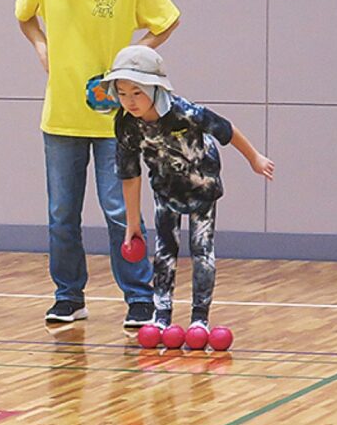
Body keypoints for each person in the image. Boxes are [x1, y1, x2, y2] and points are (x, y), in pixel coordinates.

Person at [15, 0, 180, 328]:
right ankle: (68, 295)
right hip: (62, 117)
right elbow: (24, 17)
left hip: (116, 121)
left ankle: (140, 298)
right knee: (61, 213)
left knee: (119, 209)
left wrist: (134, 56)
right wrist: (40, 45)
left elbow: (167, 20)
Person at [104, 44, 274, 331]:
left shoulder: (185, 113)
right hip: (165, 191)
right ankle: (162, 315)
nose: (129, 101)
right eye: (122, 93)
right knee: (165, 250)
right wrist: (132, 222)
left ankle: (199, 318)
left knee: (201, 250)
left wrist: (254, 158)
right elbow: (130, 175)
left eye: (137, 92)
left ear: (156, 88)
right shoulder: (126, 125)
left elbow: (226, 130)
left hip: (202, 188)